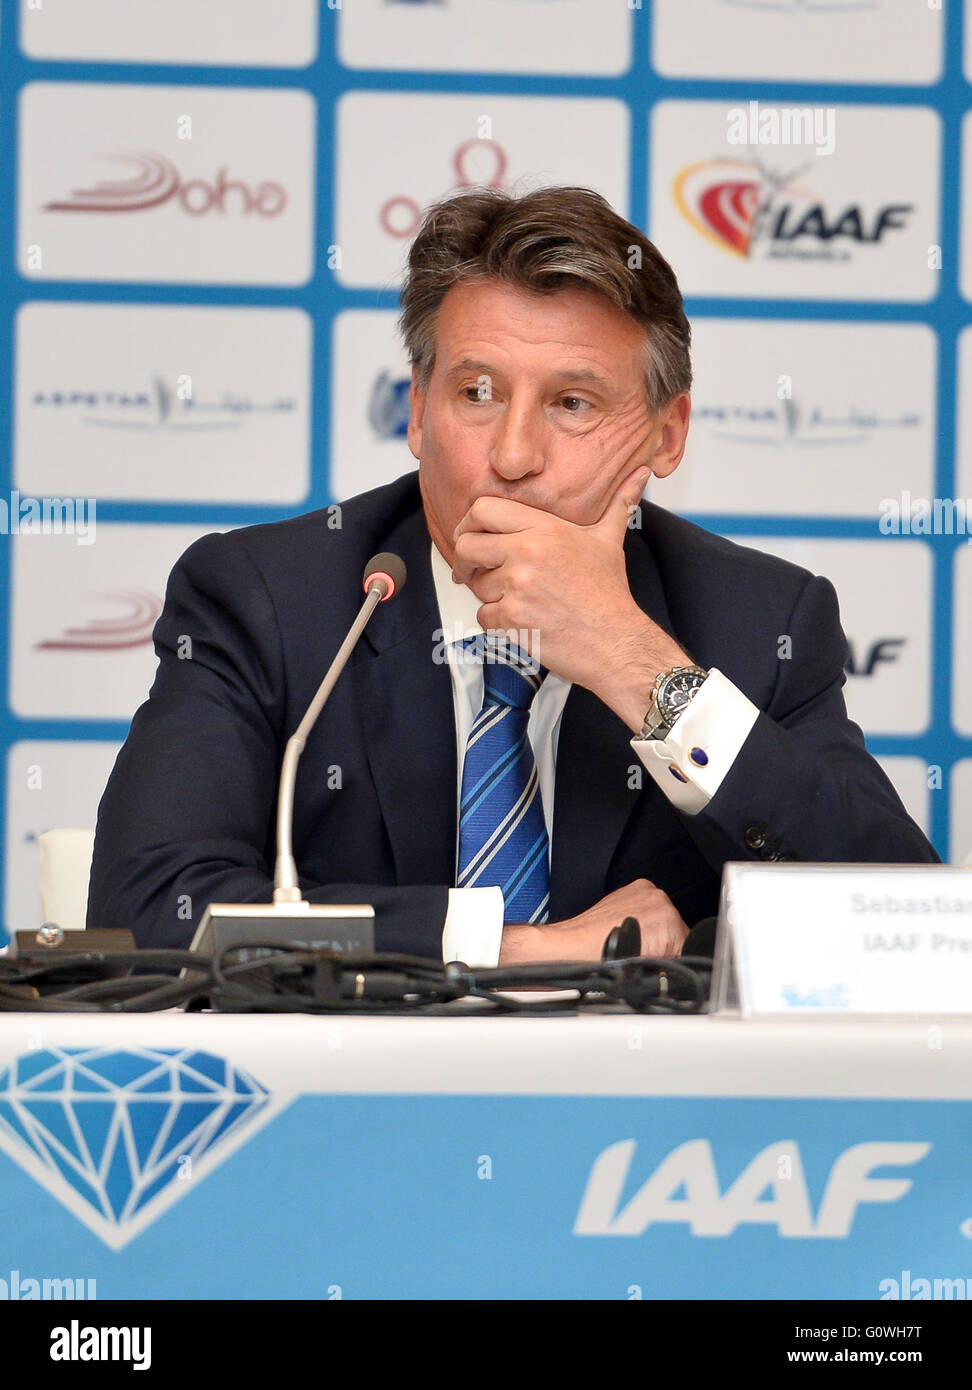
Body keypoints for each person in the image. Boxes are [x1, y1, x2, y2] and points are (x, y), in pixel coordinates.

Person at [86, 185, 938, 965]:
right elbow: (150, 908)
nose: (513, 456)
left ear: (666, 435)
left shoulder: (758, 623)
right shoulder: (268, 599)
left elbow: (896, 928)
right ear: (419, 411)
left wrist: (634, 661)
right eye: (478, 393)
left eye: (573, 404)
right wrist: (512, 948)